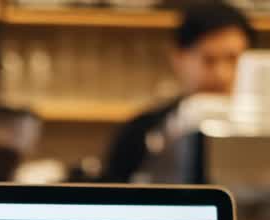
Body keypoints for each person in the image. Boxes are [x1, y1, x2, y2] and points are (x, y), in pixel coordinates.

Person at [99, 1, 254, 183]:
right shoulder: (139, 131)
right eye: (208, 60)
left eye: (233, 59)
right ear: (178, 58)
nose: (222, 75)